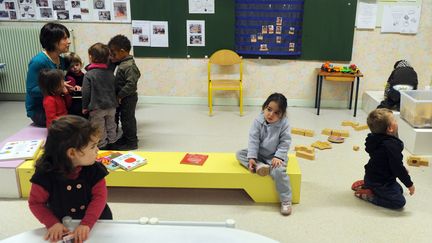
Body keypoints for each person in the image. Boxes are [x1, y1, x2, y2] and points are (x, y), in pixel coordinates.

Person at [28, 115, 113, 243]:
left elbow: (100, 198)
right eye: (92, 146)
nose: (97, 150)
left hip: (96, 220)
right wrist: (52, 223)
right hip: (63, 225)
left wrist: (87, 223)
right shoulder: (45, 174)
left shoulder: (94, 169)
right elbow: (36, 203)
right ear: (72, 153)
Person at [236, 93, 293, 215]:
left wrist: (278, 156)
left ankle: (286, 201)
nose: (271, 114)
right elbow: (253, 139)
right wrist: (252, 157)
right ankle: (259, 165)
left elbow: (285, 142)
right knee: (240, 154)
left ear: (282, 114)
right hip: (259, 155)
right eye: (269, 109)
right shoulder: (258, 120)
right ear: (264, 107)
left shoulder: (284, 124)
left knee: (278, 172)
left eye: (276, 113)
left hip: (275, 157)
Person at [352, 108, 415, 209]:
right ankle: (371, 195)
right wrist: (409, 184)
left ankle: (368, 184)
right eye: (394, 120)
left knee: (399, 190)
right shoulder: (391, 146)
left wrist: (400, 168)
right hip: (381, 181)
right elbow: (397, 168)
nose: (396, 121)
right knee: (399, 202)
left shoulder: (374, 138)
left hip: (374, 175)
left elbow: (387, 161)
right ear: (390, 129)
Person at [25, 22, 71, 127]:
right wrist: (59, 86)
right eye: (64, 38)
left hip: (57, 104)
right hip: (40, 109)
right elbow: (32, 90)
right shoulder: (39, 61)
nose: (69, 42)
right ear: (53, 41)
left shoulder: (61, 60)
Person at [108, 35, 141, 150]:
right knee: (123, 118)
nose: (112, 56)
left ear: (122, 51)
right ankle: (126, 137)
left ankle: (131, 142)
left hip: (128, 97)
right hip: (122, 97)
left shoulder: (129, 66)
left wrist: (120, 95)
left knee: (128, 120)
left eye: (113, 53)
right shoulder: (121, 63)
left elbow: (131, 85)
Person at [82, 43, 118, 150]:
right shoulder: (110, 73)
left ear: (91, 57)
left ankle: (102, 145)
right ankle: (113, 141)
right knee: (111, 125)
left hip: (97, 107)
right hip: (112, 106)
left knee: (99, 127)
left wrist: (84, 107)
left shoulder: (89, 75)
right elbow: (115, 89)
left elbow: (86, 92)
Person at [65, 52, 85, 117]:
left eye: (77, 65)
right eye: (72, 66)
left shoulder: (84, 75)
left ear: (80, 64)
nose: (75, 67)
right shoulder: (68, 77)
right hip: (73, 102)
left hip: (83, 100)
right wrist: (73, 88)